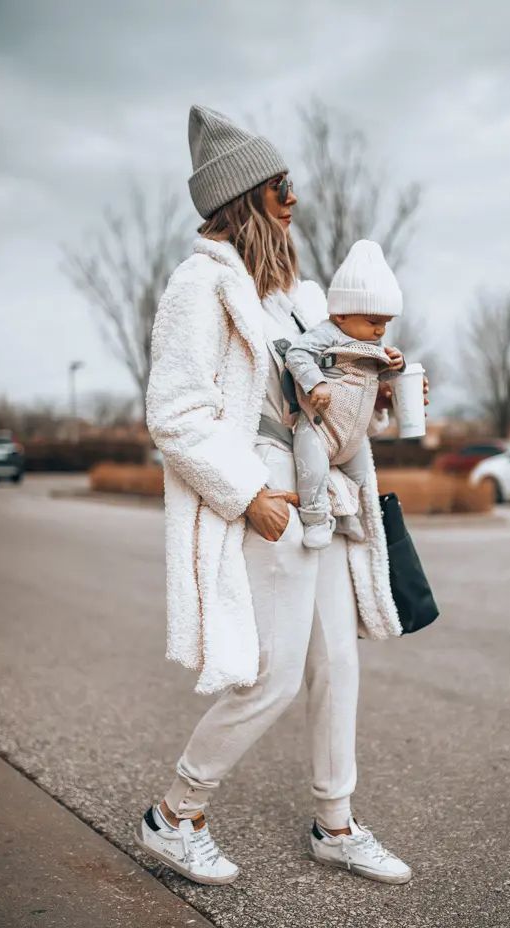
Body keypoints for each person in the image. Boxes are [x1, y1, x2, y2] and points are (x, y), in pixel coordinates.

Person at [137, 105, 428, 886]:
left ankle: (335, 824)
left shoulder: (297, 298)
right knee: (270, 677)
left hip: (324, 498)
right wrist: (246, 496)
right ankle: (175, 813)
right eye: (280, 187)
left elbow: (333, 388)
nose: (293, 199)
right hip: (269, 500)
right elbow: (174, 412)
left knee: (337, 664)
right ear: (245, 199)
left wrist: (386, 380)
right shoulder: (198, 287)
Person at [285, 239, 404, 549]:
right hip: (320, 428)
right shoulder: (327, 333)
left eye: (385, 324)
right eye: (373, 322)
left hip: (353, 437)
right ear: (340, 315)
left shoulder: (372, 344)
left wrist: (396, 365)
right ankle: (315, 519)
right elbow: (297, 354)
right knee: (312, 471)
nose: (380, 331)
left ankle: (347, 515)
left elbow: (383, 379)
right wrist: (316, 383)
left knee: (362, 478)